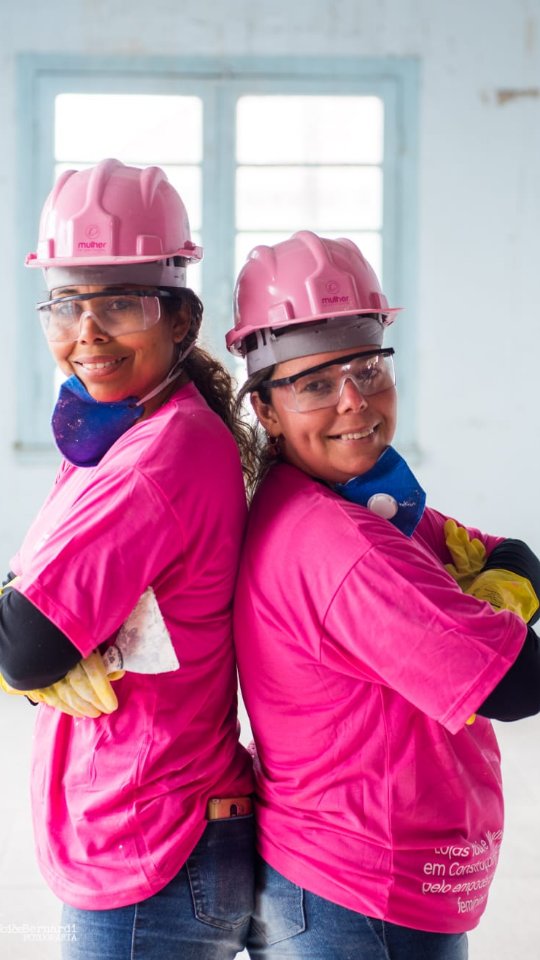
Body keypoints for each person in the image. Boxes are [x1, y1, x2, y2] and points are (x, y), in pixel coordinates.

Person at [226, 229, 540, 960]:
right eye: (314, 383)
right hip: (364, 898)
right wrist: (505, 597)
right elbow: (520, 680)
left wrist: (501, 581)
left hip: (356, 885)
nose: (354, 402)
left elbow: (512, 553)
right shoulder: (343, 545)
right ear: (265, 410)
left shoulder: (357, 500)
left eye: (368, 366)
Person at [0, 159, 255, 960]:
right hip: (153, 827)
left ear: (181, 319)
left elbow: (28, 641)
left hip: (151, 840)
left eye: (120, 303)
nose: (87, 334)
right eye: (67, 305)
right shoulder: (133, 431)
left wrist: (20, 618)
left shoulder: (158, 456)